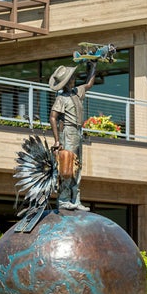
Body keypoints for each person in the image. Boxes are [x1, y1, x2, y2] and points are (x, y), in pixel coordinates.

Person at [48, 61, 97, 210]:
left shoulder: (77, 92)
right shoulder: (61, 98)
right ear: (65, 82)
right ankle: (63, 199)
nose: (73, 80)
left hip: (77, 132)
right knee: (67, 165)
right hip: (68, 131)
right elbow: (53, 117)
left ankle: (76, 199)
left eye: (72, 78)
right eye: (70, 79)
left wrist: (93, 67)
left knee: (77, 167)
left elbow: (88, 84)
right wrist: (57, 140)